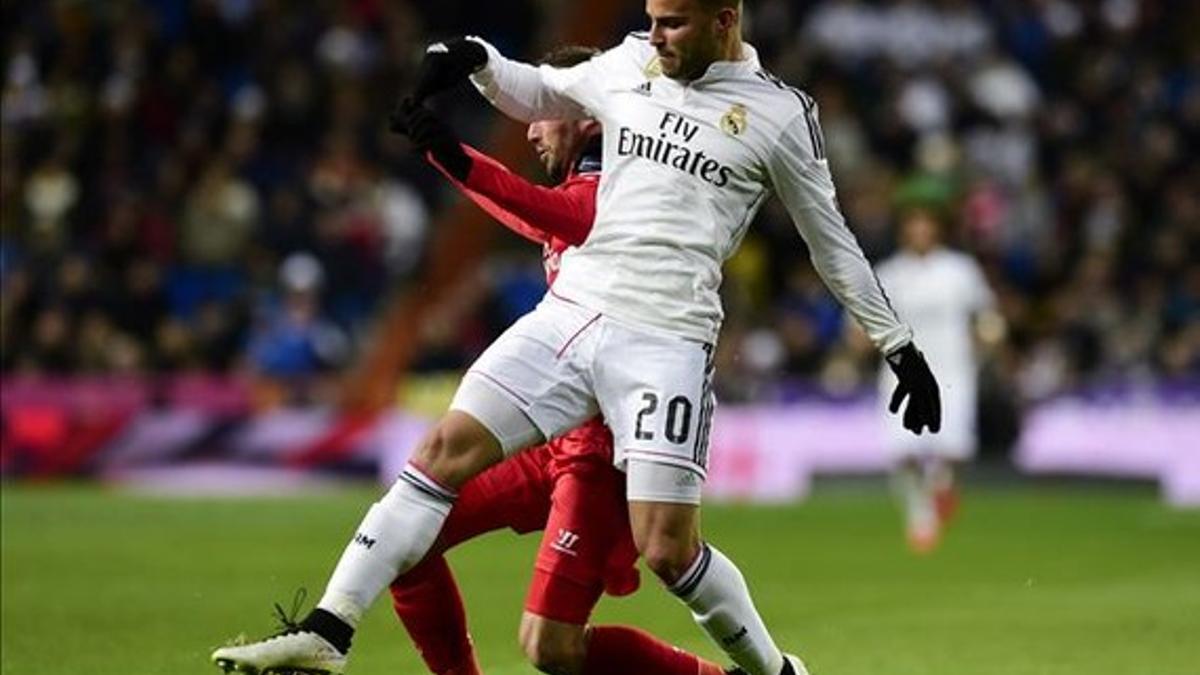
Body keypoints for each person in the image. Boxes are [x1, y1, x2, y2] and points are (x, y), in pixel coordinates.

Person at [212, 2, 940, 674]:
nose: (655, 36)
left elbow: (832, 243)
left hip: (666, 336)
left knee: (667, 549)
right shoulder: (628, 62)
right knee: (439, 453)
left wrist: (897, 345)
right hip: (575, 311)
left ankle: (775, 671)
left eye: (675, 24)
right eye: (652, 19)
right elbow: (537, 90)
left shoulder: (780, 114)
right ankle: (329, 630)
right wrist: (472, 58)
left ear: (725, 21)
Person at [385, 46, 732, 675]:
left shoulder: (620, 186)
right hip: (548, 438)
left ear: (582, 111)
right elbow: (528, 213)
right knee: (403, 544)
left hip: (600, 452)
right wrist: (442, 153)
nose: (533, 129)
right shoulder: (574, 182)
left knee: (553, 646)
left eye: (542, 114)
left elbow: (562, 217)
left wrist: (457, 160)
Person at [874, 206, 998, 553]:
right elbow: (863, 320)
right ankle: (920, 513)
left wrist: (989, 337)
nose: (920, 234)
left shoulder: (959, 270)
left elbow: (985, 314)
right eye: (913, 227)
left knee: (952, 449)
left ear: (937, 231)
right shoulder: (889, 273)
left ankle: (940, 487)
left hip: (952, 368)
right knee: (903, 452)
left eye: (926, 227)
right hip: (903, 372)